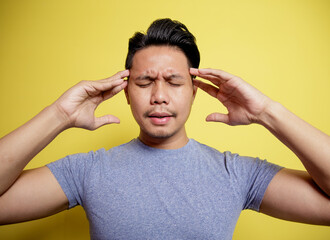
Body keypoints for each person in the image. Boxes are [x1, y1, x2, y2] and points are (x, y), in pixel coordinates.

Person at [0, 18, 329, 239]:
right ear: (126, 92)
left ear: (194, 91)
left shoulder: (238, 173)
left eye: (174, 82)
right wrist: (58, 114)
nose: (158, 96)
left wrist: (267, 112)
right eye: (144, 82)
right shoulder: (87, 170)